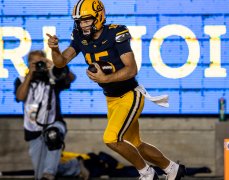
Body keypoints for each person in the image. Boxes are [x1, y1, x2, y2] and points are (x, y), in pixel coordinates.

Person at [46, 0, 186, 179]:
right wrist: (55, 49)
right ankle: (172, 168)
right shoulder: (80, 36)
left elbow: (131, 68)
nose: (82, 25)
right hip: (111, 98)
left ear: (99, 17)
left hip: (130, 95)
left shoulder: (115, 32)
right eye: (80, 21)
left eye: (86, 20)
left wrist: (106, 78)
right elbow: (61, 62)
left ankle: (147, 173)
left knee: (111, 138)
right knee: (135, 143)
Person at [14, 50, 79, 180]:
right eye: (35, 63)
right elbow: (20, 96)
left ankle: (49, 174)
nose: (39, 66)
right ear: (29, 64)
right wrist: (29, 76)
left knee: (53, 136)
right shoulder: (21, 80)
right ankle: (74, 167)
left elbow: (71, 78)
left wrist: (55, 66)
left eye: (40, 62)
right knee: (39, 173)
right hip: (32, 128)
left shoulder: (52, 77)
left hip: (54, 122)